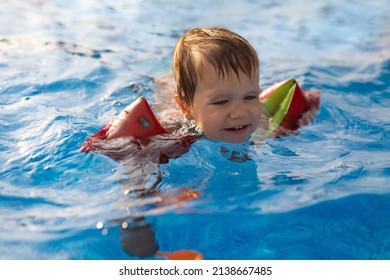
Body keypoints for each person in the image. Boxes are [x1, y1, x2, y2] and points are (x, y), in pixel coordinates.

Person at [172, 27, 262, 144]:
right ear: (186, 107)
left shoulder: (266, 123)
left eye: (250, 97)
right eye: (221, 101)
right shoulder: (178, 136)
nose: (240, 113)